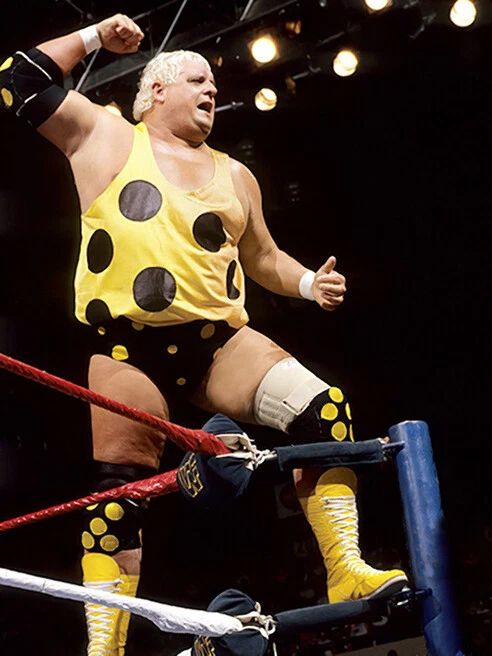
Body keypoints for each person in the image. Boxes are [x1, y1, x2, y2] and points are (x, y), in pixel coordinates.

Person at [0, 13, 408, 655]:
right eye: (197, 79)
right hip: (128, 351)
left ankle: (345, 567)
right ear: (156, 90)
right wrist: (95, 38)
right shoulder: (105, 136)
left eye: (214, 83)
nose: (212, 88)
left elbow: (264, 258)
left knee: (324, 409)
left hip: (219, 344)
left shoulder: (236, 175)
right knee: (117, 498)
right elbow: (18, 79)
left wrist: (309, 284)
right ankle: (104, 648)